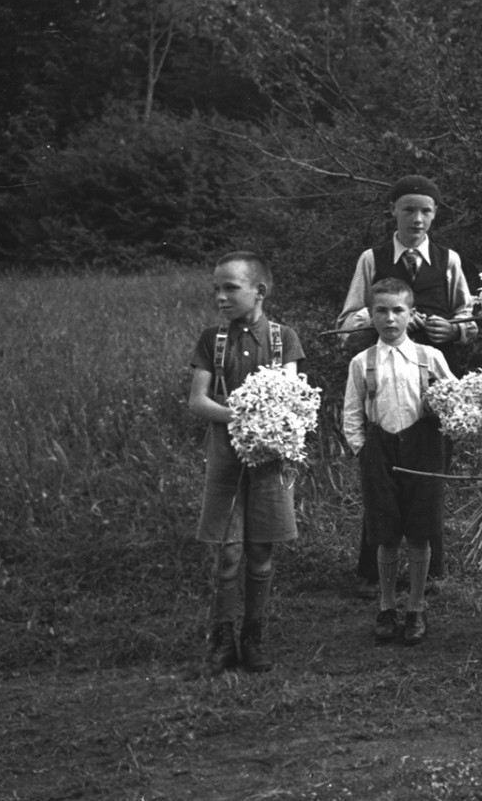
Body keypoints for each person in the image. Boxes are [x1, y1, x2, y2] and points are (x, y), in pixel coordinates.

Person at [337, 175, 476, 595]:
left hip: (431, 390)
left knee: (427, 484)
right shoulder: (372, 258)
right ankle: (371, 574)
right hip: (382, 382)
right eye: (409, 209)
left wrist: (451, 331)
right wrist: (381, 318)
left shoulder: (447, 259)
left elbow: (468, 315)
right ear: (393, 211)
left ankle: (427, 574)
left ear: (435, 214)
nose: (417, 219)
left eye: (426, 211)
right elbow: (346, 322)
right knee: (382, 483)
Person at [187, 251, 306, 676]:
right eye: (216, 288)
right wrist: (243, 417)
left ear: (260, 291)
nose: (220, 296)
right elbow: (198, 400)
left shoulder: (282, 338)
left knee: (260, 552)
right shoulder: (211, 340)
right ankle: (221, 639)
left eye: (230, 288)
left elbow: (291, 397)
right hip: (225, 458)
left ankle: (253, 637)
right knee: (228, 553)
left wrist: (271, 426)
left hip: (270, 460)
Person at [341, 277, 455, 647]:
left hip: (422, 449)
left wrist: (450, 424)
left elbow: (455, 401)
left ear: (411, 314)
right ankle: (387, 606)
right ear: (370, 314)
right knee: (385, 533)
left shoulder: (430, 357)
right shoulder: (362, 362)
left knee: (420, 531)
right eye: (381, 311)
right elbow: (353, 414)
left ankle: (417, 607)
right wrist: (363, 451)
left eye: (398, 311)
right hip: (381, 452)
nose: (390, 319)